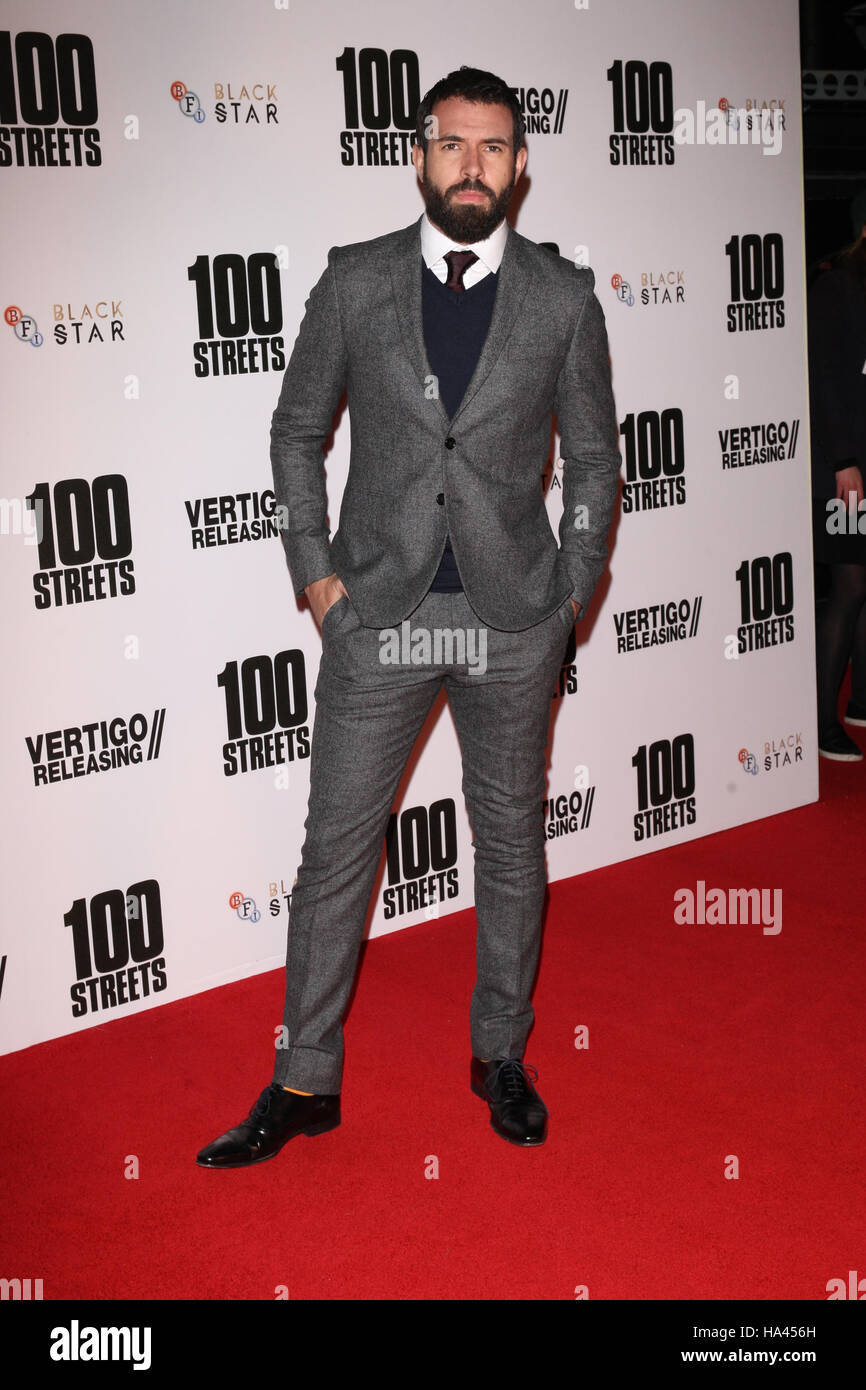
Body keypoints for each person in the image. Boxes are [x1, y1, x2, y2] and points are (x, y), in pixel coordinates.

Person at [196, 66, 620, 1168]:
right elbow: (296, 433)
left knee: (511, 846)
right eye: (451, 143)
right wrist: (319, 579)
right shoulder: (354, 282)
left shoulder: (563, 298)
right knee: (335, 851)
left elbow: (592, 459)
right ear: (417, 155)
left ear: (519, 166)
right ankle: (301, 1078)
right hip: (378, 615)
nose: (471, 164)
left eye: (493, 147)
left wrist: (569, 589)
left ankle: (499, 1055)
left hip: (510, 618)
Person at [808, 188, 866, 761]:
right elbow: (823, 381)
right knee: (847, 587)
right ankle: (822, 722)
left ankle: (861, 701)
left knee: (864, 583)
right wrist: (845, 461)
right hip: (845, 469)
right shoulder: (835, 287)